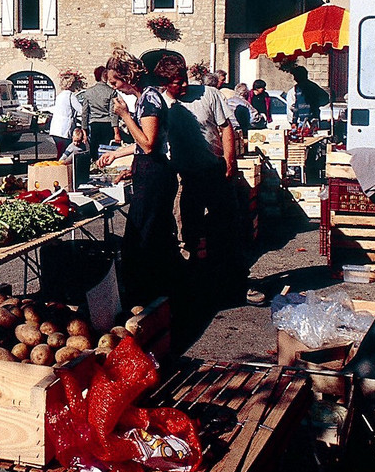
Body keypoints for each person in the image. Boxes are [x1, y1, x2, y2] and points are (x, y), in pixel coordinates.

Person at [152, 54, 258, 306]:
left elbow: (226, 128)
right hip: (186, 177)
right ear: (165, 83)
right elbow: (151, 139)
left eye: (185, 79)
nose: (184, 86)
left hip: (216, 171)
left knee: (229, 229)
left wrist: (230, 162)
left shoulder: (209, 94)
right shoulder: (162, 105)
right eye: (177, 83)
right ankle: (197, 287)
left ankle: (239, 284)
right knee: (189, 233)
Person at [97, 50, 178, 302]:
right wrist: (119, 155)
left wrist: (124, 116)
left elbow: (149, 144)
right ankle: (160, 291)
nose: (115, 88)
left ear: (127, 75)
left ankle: (148, 296)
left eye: (115, 81)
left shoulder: (149, 99)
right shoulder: (147, 97)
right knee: (150, 233)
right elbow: (144, 143)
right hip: (151, 172)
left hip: (154, 175)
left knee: (141, 237)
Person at [78, 65, 119, 159]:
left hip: (94, 124)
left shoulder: (88, 92)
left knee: (94, 151)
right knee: (107, 150)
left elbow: (84, 113)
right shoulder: (111, 91)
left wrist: (84, 131)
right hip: (107, 125)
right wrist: (116, 132)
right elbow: (113, 113)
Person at [48, 73, 84, 157]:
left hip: (55, 128)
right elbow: (81, 110)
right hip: (64, 129)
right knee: (65, 152)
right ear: (71, 84)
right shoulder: (70, 96)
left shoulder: (60, 96)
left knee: (60, 151)